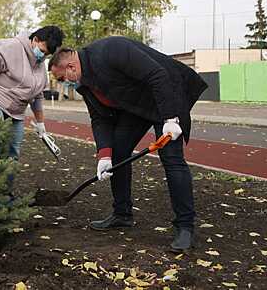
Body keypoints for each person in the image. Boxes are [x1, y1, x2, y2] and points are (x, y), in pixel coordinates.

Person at [48, 36, 208, 253]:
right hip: (139, 105)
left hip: (167, 95)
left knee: (172, 159)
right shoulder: (85, 84)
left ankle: (185, 227)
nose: (65, 84)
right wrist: (104, 155)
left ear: (71, 66)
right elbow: (100, 118)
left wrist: (171, 119)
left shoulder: (110, 50)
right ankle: (122, 214)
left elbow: (158, 75)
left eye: (63, 78)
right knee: (118, 151)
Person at [0, 26, 64, 161]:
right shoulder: (12, 47)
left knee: (13, 152)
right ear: (35, 39)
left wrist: (40, 123)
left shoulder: (39, 64)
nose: (43, 57)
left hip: (17, 113)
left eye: (47, 55)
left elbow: (37, 95)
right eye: (42, 51)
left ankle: (6, 182)